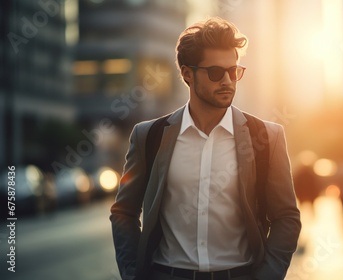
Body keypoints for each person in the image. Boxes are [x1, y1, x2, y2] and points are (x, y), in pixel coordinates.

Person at [110, 17, 301, 280]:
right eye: (215, 72)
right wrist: (133, 274)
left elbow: (286, 217)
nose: (227, 80)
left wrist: (268, 275)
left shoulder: (267, 137)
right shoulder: (149, 136)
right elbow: (124, 211)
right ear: (188, 74)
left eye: (233, 71)